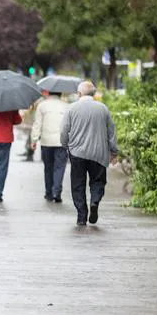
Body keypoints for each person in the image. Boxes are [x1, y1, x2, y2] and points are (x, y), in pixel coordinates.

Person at [60, 81, 118, 226]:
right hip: (99, 152)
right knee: (98, 181)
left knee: (78, 184)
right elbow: (111, 132)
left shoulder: (71, 108)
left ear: (79, 94)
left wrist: (64, 144)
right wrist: (114, 151)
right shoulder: (103, 109)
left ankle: (81, 216)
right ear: (93, 94)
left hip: (77, 152)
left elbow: (64, 130)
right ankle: (94, 201)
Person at [30, 92, 69, 203]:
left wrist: (34, 140)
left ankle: (48, 193)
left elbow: (37, 124)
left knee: (48, 168)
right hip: (62, 142)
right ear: (61, 94)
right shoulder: (66, 106)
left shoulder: (42, 105)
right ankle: (56, 191)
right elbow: (69, 125)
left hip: (46, 142)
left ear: (49, 93)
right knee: (59, 167)